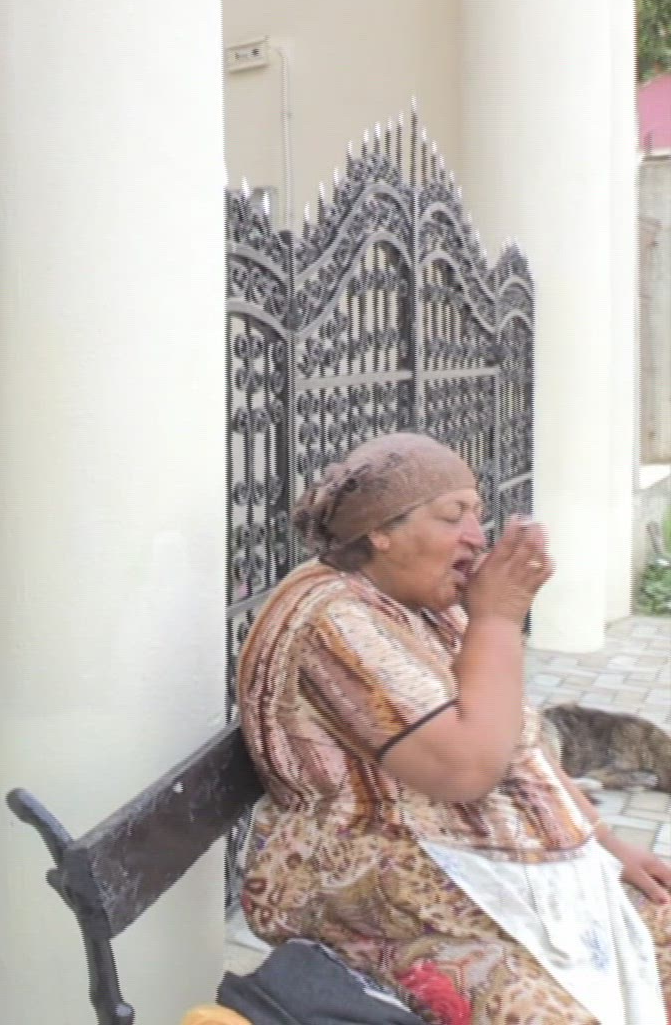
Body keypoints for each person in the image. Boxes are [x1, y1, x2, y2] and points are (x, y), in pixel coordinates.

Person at [237, 432, 671, 1024]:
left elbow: (519, 742)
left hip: (489, 878)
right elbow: (467, 769)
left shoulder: (422, 604)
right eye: (453, 515)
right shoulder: (330, 617)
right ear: (381, 532)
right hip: (388, 902)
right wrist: (499, 617)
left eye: (477, 513)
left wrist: (608, 844)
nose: (476, 535)